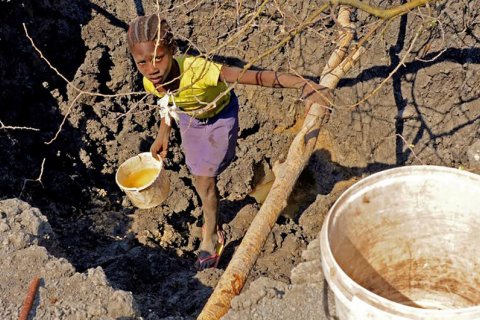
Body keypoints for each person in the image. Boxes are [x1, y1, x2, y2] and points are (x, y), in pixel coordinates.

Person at [127, 14, 331, 271]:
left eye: (159, 58)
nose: (151, 68)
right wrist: (163, 134)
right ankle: (211, 211)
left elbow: (256, 77)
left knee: (205, 177)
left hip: (220, 117)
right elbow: (167, 102)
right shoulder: (151, 81)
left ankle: (211, 236)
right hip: (190, 119)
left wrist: (303, 84)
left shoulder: (200, 71)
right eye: (142, 62)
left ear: (172, 50)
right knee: (200, 177)